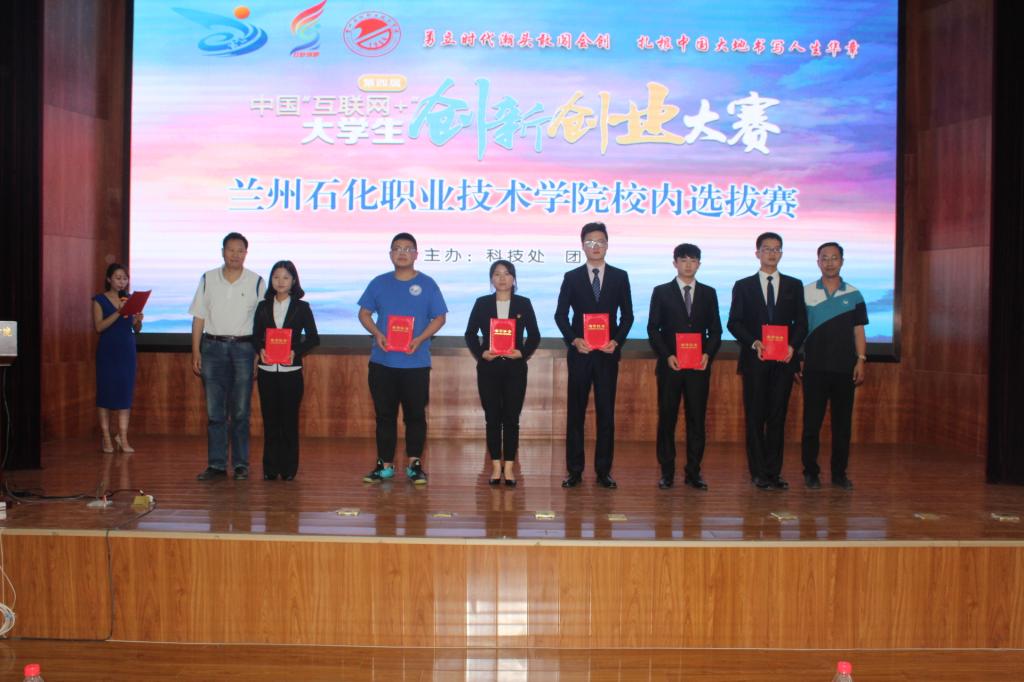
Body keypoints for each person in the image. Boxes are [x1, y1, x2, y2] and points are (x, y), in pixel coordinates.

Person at [358, 233, 447, 485]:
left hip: (415, 363)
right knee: (384, 416)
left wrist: (420, 339)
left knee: (415, 416)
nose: (402, 253)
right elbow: (364, 313)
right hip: (382, 362)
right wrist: (377, 334)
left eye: (408, 249)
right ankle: (384, 465)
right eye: (397, 248)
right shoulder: (379, 283)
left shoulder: (427, 284)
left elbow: (440, 318)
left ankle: (414, 464)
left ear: (416, 254)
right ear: (390, 254)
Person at [554, 222, 634, 489]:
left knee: (606, 414)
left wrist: (616, 341)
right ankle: (574, 471)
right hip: (581, 354)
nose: (595, 246)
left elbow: (628, 316)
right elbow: (560, 315)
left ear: (607, 245)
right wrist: (574, 339)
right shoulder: (572, 277)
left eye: (600, 241)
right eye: (590, 242)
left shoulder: (620, 276)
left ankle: (603, 471)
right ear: (582, 246)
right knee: (576, 413)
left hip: (607, 355)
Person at [727, 232, 807, 490]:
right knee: (755, 417)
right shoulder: (743, 285)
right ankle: (758, 472)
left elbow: (802, 323)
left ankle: (774, 472)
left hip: (784, 361)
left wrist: (793, 346)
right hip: (755, 361)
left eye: (776, 249)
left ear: (781, 253)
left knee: (777, 417)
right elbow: (734, 323)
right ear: (757, 253)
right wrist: (754, 342)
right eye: (767, 249)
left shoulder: (794, 285)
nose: (772, 253)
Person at [189, 232, 265, 481]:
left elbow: (262, 322)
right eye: (231, 250)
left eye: (240, 250)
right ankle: (217, 464)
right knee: (215, 413)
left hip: (244, 350)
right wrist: (195, 351)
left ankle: (241, 464)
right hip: (212, 348)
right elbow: (198, 317)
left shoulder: (256, 281)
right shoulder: (208, 278)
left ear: (246, 253)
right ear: (222, 251)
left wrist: (258, 354)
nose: (235, 255)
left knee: (241, 412)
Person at [646, 244, 722, 490]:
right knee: (667, 419)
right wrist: (667, 355)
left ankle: (694, 472)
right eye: (683, 260)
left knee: (696, 420)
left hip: (698, 368)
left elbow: (716, 330)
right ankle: (667, 472)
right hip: (671, 367)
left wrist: (708, 354)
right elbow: (653, 328)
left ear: (699, 264)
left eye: (693, 260)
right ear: (675, 263)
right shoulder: (661, 291)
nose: (688, 265)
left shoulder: (709, 293)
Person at [464, 260, 541, 487]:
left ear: (514, 278)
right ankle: (496, 465)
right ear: (491, 279)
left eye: (507, 274)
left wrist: (522, 353)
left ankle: (509, 466)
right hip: (489, 368)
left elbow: (534, 335)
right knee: (492, 418)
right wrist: (481, 353)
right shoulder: (482, 303)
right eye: (497, 274)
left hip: (515, 369)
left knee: (511, 419)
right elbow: (470, 334)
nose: (502, 278)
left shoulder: (523, 303)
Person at [800, 242, 868, 490]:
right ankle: (811, 472)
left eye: (834, 257)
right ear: (818, 262)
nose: (829, 262)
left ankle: (839, 474)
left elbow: (859, 331)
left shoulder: (854, 294)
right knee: (811, 425)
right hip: (814, 369)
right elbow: (799, 330)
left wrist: (861, 360)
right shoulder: (806, 292)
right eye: (825, 258)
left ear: (842, 261)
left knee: (842, 426)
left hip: (844, 369)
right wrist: (798, 359)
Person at [252, 260, 320, 481]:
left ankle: (289, 468)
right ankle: (270, 468)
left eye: (285, 277)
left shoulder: (302, 307)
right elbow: (255, 336)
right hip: (267, 370)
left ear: (293, 281)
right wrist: (260, 349)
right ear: (271, 280)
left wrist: (295, 351)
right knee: (270, 421)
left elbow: (313, 338)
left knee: (289, 421)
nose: (280, 281)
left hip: (291, 371)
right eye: (276, 277)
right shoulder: (263, 306)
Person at [93, 263, 143, 454]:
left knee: (124, 394)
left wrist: (138, 321)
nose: (122, 282)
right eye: (118, 278)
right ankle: (106, 437)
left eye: (125, 278)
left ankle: (122, 437)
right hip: (108, 351)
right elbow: (99, 327)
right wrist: (119, 312)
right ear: (109, 279)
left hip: (127, 350)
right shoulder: (99, 300)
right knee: (105, 394)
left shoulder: (130, 299)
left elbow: (136, 330)